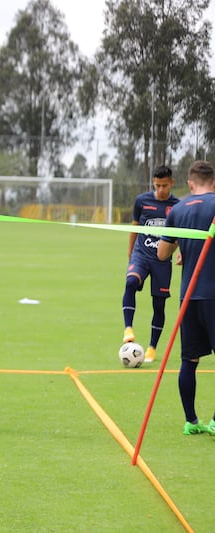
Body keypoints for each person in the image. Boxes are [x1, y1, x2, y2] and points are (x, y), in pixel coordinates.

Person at [158, 160, 215, 436]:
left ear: (191, 184)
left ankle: (191, 421)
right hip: (214, 296)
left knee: (189, 360)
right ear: (213, 183)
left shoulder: (178, 209)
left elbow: (161, 253)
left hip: (189, 297)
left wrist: (184, 247)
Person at [122, 165, 178, 363]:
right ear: (153, 183)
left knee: (159, 304)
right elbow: (135, 228)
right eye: (157, 185)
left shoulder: (177, 206)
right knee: (130, 282)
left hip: (162, 261)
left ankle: (152, 348)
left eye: (164, 185)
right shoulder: (142, 201)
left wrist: (179, 252)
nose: (161, 189)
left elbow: (180, 236)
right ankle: (128, 328)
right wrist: (131, 253)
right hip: (141, 255)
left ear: (172, 183)